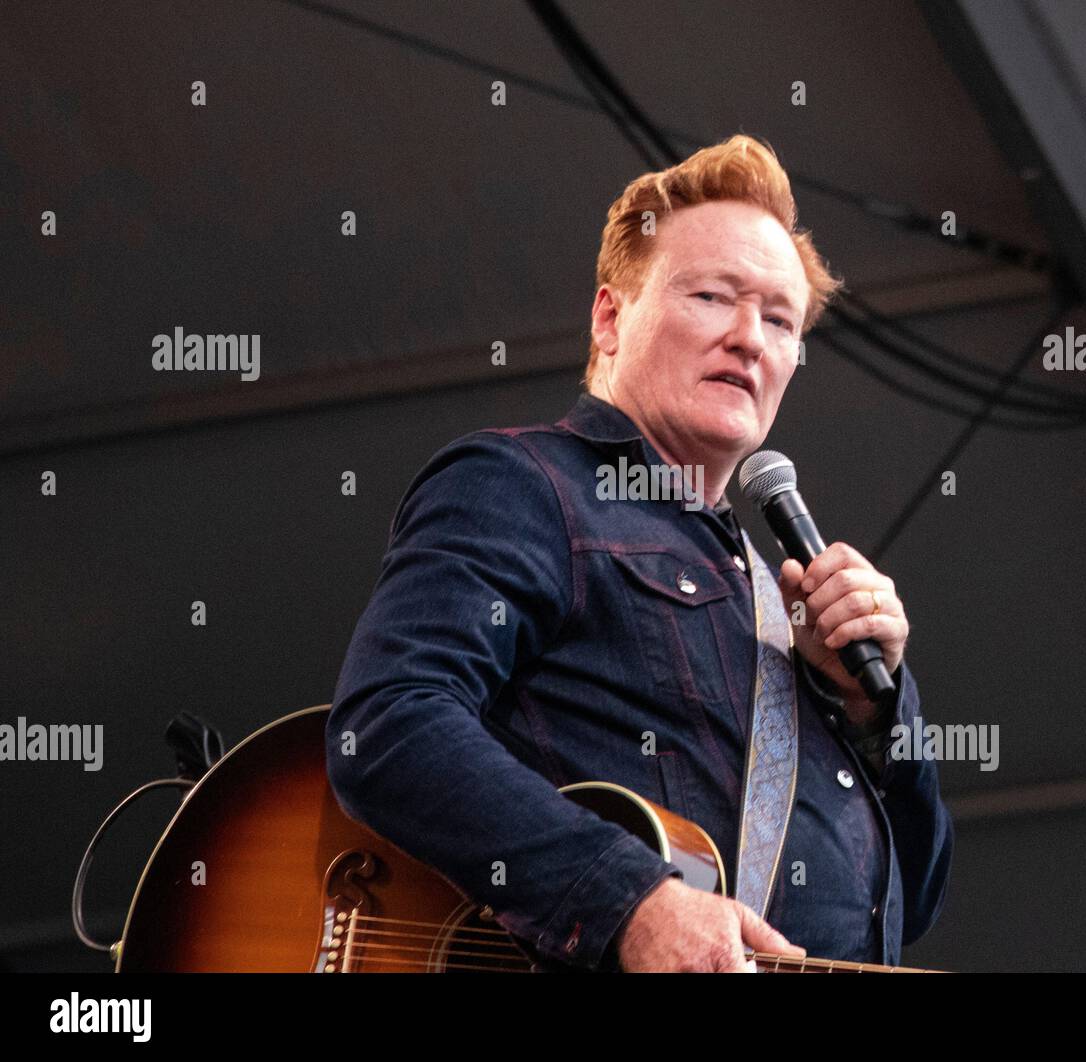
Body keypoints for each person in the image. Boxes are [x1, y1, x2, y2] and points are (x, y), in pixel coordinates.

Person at [327, 135, 953, 973]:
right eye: (712, 296)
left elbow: (913, 898)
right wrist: (629, 901)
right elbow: (388, 721)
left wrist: (875, 713)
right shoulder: (527, 483)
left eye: (779, 319)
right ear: (611, 316)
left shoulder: (779, 607)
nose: (750, 339)